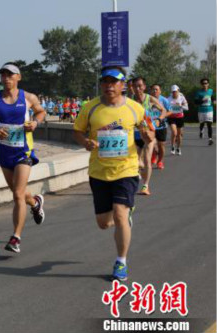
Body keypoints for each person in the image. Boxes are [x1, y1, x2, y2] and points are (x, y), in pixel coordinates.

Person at [73, 66, 150, 281]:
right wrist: (86, 142)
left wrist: (147, 135)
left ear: (123, 84)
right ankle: (125, 217)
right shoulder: (90, 108)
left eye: (113, 82)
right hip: (99, 171)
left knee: (119, 213)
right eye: (105, 82)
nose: (109, 86)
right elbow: (78, 131)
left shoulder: (136, 109)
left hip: (126, 169)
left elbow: (149, 132)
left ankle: (121, 262)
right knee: (104, 223)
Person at [0, 62, 46, 253]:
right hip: (4, 152)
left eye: (10, 74)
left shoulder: (28, 97)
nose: (6, 78)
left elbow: (41, 112)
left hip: (23, 152)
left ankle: (15, 238)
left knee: (17, 194)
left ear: (18, 77)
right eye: (3, 75)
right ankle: (35, 203)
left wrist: (35, 123)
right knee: (19, 193)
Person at [132, 77, 167, 195]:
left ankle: (145, 186)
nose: (137, 89)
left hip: (149, 133)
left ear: (144, 87)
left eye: (140, 86)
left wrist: (158, 120)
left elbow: (164, 110)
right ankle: (141, 171)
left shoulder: (150, 99)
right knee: (136, 162)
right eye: (135, 86)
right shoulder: (129, 101)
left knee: (147, 159)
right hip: (136, 134)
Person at [150, 84, 172, 169]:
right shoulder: (147, 100)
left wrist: (162, 117)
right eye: (153, 89)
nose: (155, 91)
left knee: (161, 145)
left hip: (162, 126)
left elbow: (170, 111)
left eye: (156, 89)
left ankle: (160, 161)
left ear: (160, 91)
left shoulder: (164, 100)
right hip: (151, 126)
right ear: (151, 91)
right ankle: (154, 156)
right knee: (152, 144)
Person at [167, 85, 189, 155]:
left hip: (179, 117)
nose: (174, 93)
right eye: (173, 92)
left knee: (179, 134)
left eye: (175, 91)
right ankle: (172, 146)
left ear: (178, 91)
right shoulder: (169, 99)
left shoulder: (182, 98)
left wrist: (180, 106)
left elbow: (187, 108)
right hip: (171, 117)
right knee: (174, 132)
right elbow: (166, 108)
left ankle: (178, 148)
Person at [194, 78, 215, 145]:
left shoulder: (211, 91)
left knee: (209, 124)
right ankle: (201, 131)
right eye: (203, 83)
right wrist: (203, 101)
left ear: (208, 84)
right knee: (202, 123)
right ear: (201, 84)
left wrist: (214, 101)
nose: (204, 85)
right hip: (201, 110)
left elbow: (213, 98)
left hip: (209, 110)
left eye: (206, 83)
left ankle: (210, 139)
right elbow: (196, 102)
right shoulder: (198, 92)